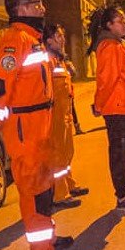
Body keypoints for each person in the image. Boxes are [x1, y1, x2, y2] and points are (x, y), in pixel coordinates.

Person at [0, 0, 72, 250]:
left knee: (45, 189)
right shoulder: (14, 40)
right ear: (21, 9)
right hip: (25, 129)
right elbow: (0, 85)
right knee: (34, 192)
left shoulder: (32, 40)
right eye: (36, 4)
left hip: (40, 125)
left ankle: (49, 239)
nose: (42, 7)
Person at [87, 6, 125, 213]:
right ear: (108, 25)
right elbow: (106, 80)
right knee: (119, 153)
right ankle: (122, 197)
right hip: (117, 108)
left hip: (123, 107)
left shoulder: (116, 45)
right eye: (120, 20)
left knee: (123, 152)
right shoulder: (110, 47)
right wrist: (98, 104)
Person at [44, 23, 90, 209]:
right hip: (54, 115)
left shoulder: (60, 60)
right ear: (48, 40)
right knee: (57, 155)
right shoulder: (47, 60)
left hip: (65, 114)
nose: (62, 39)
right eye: (58, 36)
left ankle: (69, 184)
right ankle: (60, 194)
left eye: (62, 35)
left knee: (67, 152)